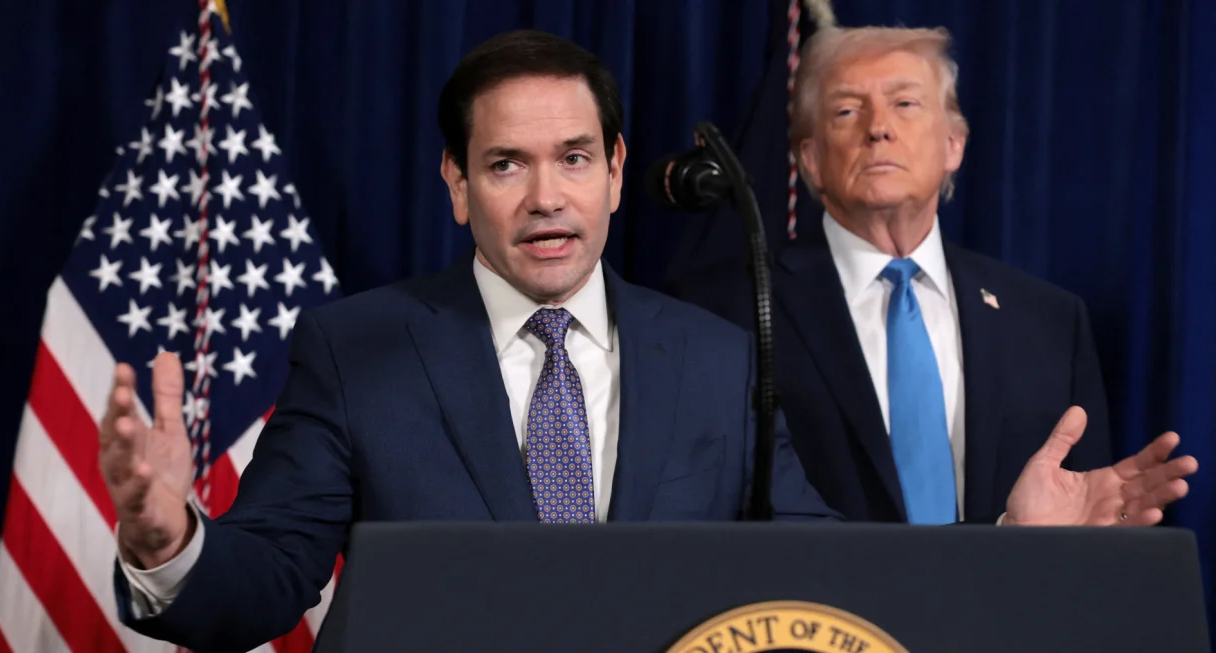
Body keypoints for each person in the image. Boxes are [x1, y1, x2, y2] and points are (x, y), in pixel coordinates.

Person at [99, 29, 1197, 651]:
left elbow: (832, 571)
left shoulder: (713, 353)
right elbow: (265, 579)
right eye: (505, 164)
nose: (545, 197)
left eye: (574, 157)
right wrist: (168, 536)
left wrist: (1005, 542)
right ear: (454, 185)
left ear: (618, 173)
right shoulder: (358, 348)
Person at [669, 25, 1139, 524]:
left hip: (1006, 599)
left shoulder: (1049, 322)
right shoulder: (724, 309)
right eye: (847, 111)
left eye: (906, 105)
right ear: (810, 160)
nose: (878, 128)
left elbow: (1084, 523)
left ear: (953, 144)